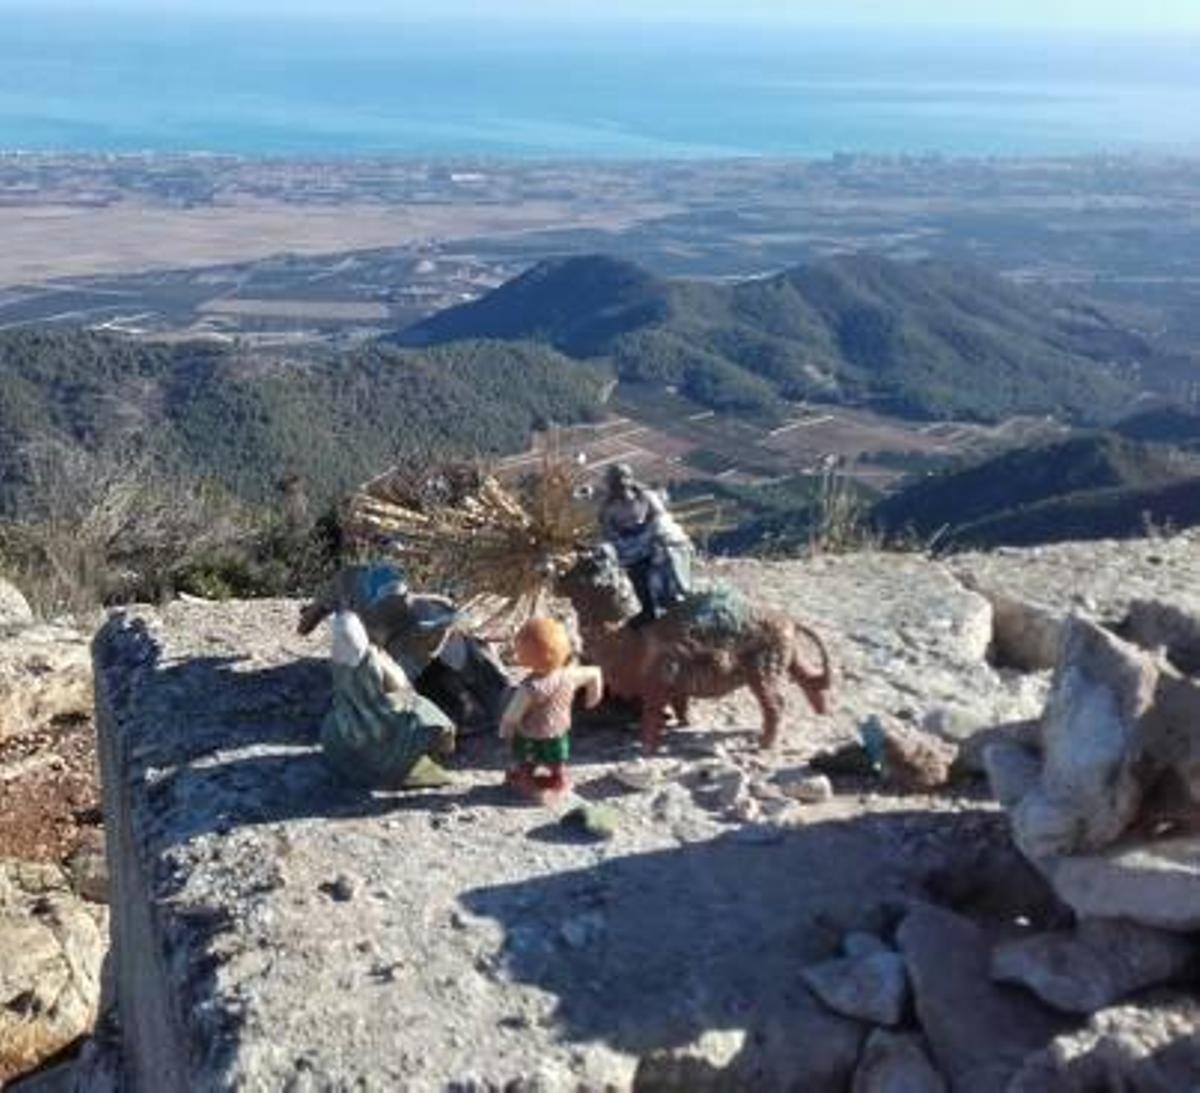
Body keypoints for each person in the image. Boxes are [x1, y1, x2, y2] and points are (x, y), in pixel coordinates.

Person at [298, 562, 512, 730]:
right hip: (399, 649)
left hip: (404, 640)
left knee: (454, 649)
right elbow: (308, 623)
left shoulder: (349, 584)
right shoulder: (352, 589)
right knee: (425, 667)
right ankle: (474, 707)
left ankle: (486, 703)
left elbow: (305, 625)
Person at [320, 609, 456, 789]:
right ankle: (436, 756)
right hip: (387, 749)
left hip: (350, 754)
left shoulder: (330, 729)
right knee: (425, 711)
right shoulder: (371, 658)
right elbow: (401, 685)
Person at [499, 617, 603, 801]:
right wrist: (593, 698)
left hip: (530, 731)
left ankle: (526, 780)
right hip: (558, 730)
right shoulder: (569, 675)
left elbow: (512, 715)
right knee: (556, 760)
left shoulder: (530, 687)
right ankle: (559, 779)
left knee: (526, 759)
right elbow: (594, 673)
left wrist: (506, 728)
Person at [598, 463, 694, 626]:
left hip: (654, 537)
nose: (619, 486)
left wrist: (649, 531)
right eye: (615, 482)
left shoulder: (647, 496)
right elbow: (609, 533)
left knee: (669, 555)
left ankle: (678, 595)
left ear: (629, 480)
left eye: (622, 480)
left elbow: (660, 517)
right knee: (636, 572)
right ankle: (649, 609)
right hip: (631, 546)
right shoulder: (608, 509)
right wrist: (626, 538)